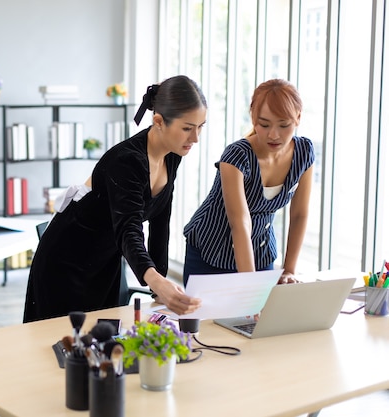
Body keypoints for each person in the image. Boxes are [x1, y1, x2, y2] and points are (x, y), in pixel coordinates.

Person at [23, 75, 206, 323]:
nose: (195, 138)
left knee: (100, 345)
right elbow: (128, 230)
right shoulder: (127, 161)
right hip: (66, 261)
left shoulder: (172, 155)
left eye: (200, 127)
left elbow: (160, 223)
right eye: (187, 128)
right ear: (159, 121)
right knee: (61, 348)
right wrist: (156, 281)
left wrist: (159, 286)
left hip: (104, 261)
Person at [183, 79, 314, 287]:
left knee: (262, 319)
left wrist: (289, 270)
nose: (274, 134)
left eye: (284, 125)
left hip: (260, 252)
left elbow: (299, 215)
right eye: (264, 124)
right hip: (211, 250)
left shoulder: (304, 152)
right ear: (253, 118)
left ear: (298, 118)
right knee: (209, 320)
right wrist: (250, 288)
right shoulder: (236, 156)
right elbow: (240, 223)